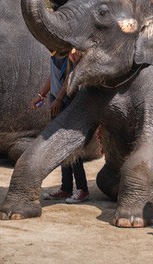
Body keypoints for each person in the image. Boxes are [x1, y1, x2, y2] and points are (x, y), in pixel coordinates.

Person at [32, 49, 89, 204]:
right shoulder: (54, 52)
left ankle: (83, 189)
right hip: (56, 100)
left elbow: (70, 77)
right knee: (60, 144)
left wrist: (59, 99)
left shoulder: (71, 52)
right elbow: (53, 76)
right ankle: (66, 187)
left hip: (68, 100)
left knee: (70, 145)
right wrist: (41, 95)